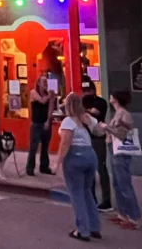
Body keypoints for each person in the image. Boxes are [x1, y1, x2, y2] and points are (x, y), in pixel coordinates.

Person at [57, 92, 105, 241]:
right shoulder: (87, 118)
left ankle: (82, 230)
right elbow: (100, 132)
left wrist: (57, 163)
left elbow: (66, 142)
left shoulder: (68, 121)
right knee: (87, 192)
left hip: (75, 156)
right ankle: (94, 227)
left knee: (77, 194)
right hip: (90, 155)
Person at [105, 90, 141, 230]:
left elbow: (121, 134)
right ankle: (122, 214)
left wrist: (107, 128)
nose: (110, 97)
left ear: (116, 99)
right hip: (114, 150)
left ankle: (133, 217)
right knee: (117, 183)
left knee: (124, 184)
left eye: (112, 95)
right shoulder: (118, 113)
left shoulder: (124, 114)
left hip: (121, 152)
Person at [82, 82, 112, 211]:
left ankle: (106, 200)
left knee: (101, 168)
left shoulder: (100, 102)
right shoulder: (83, 102)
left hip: (98, 138)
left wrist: (81, 109)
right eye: (84, 91)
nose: (86, 93)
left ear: (93, 90)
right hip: (86, 138)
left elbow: (95, 113)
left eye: (88, 90)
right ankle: (91, 198)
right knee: (89, 169)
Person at [26, 76, 55, 176]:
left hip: (45, 123)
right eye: (44, 82)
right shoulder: (33, 92)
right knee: (33, 147)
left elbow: (51, 108)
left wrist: (48, 121)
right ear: (38, 83)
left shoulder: (49, 94)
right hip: (36, 123)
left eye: (47, 81)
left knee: (45, 146)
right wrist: (49, 96)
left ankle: (44, 167)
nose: (46, 83)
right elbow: (42, 101)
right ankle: (30, 168)